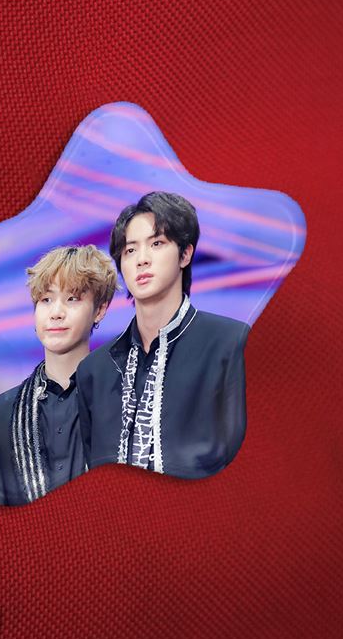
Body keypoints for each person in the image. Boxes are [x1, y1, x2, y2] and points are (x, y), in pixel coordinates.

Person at [76, 191, 249, 479]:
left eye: (157, 244)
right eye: (130, 250)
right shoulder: (94, 370)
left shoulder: (230, 344)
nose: (141, 260)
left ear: (185, 254)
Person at [0, 244, 118, 505]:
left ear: (100, 310)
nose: (56, 313)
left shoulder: (130, 403)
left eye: (72, 298)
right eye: (46, 299)